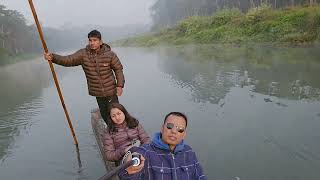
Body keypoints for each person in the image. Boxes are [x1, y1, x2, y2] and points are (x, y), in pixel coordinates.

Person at [44, 30, 125, 125]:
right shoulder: (83, 54)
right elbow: (68, 60)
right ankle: (112, 131)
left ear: (100, 41)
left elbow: (118, 69)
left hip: (111, 90)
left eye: (95, 40)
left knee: (116, 112)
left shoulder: (110, 54)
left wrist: (120, 86)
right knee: (104, 113)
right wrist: (53, 57)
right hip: (98, 92)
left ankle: (121, 132)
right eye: (90, 40)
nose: (92, 43)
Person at [119, 112, 207, 180]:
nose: (174, 131)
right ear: (162, 128)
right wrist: (129, 167)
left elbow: (200, 177)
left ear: (184, 134)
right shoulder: (145, 152)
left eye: (180, 129)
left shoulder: (189, 152)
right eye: (170, 126)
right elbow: (124, 175)